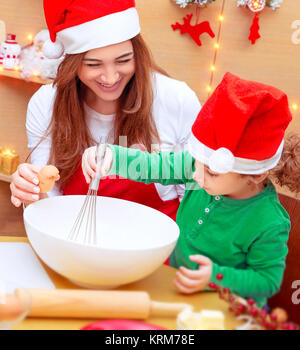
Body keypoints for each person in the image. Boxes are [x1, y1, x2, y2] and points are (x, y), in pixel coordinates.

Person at [82, 72, 300, 306]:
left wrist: (215, 277)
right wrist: (112, 155)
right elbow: (154, 165)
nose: (195, 175)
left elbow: (267, 281)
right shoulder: (198, 166)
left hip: (228, 308)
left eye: (212, 173)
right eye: (196, 163)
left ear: (256, 174)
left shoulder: (269, 221)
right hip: (180, 292)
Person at [10, 0, 201, 222]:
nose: (110, 78)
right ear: (72, 63)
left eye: (123, 61)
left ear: (137, 55)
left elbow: (194, 194)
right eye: (93, 64)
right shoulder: (46, 104)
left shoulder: (176, 99)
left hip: (158, 250)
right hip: (74, 242)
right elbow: (48, 202)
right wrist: (30, 191)